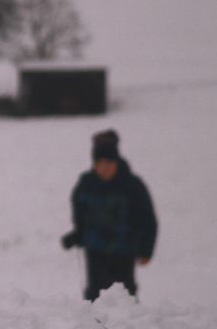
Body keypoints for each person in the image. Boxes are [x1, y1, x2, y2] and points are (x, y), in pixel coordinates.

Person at [62, 129, 158, 301]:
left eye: (109, 163)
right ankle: (93, 326)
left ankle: (128, 326)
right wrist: (77, 235)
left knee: (124, 295)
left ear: (116, 162)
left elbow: (148, 220)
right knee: (95, 294)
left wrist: (146, 249)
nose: (104, 168)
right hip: (95, 251)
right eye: (99, 163)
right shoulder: (86, 183)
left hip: (124, 251)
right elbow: (81, 215)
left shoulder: (132, 186)